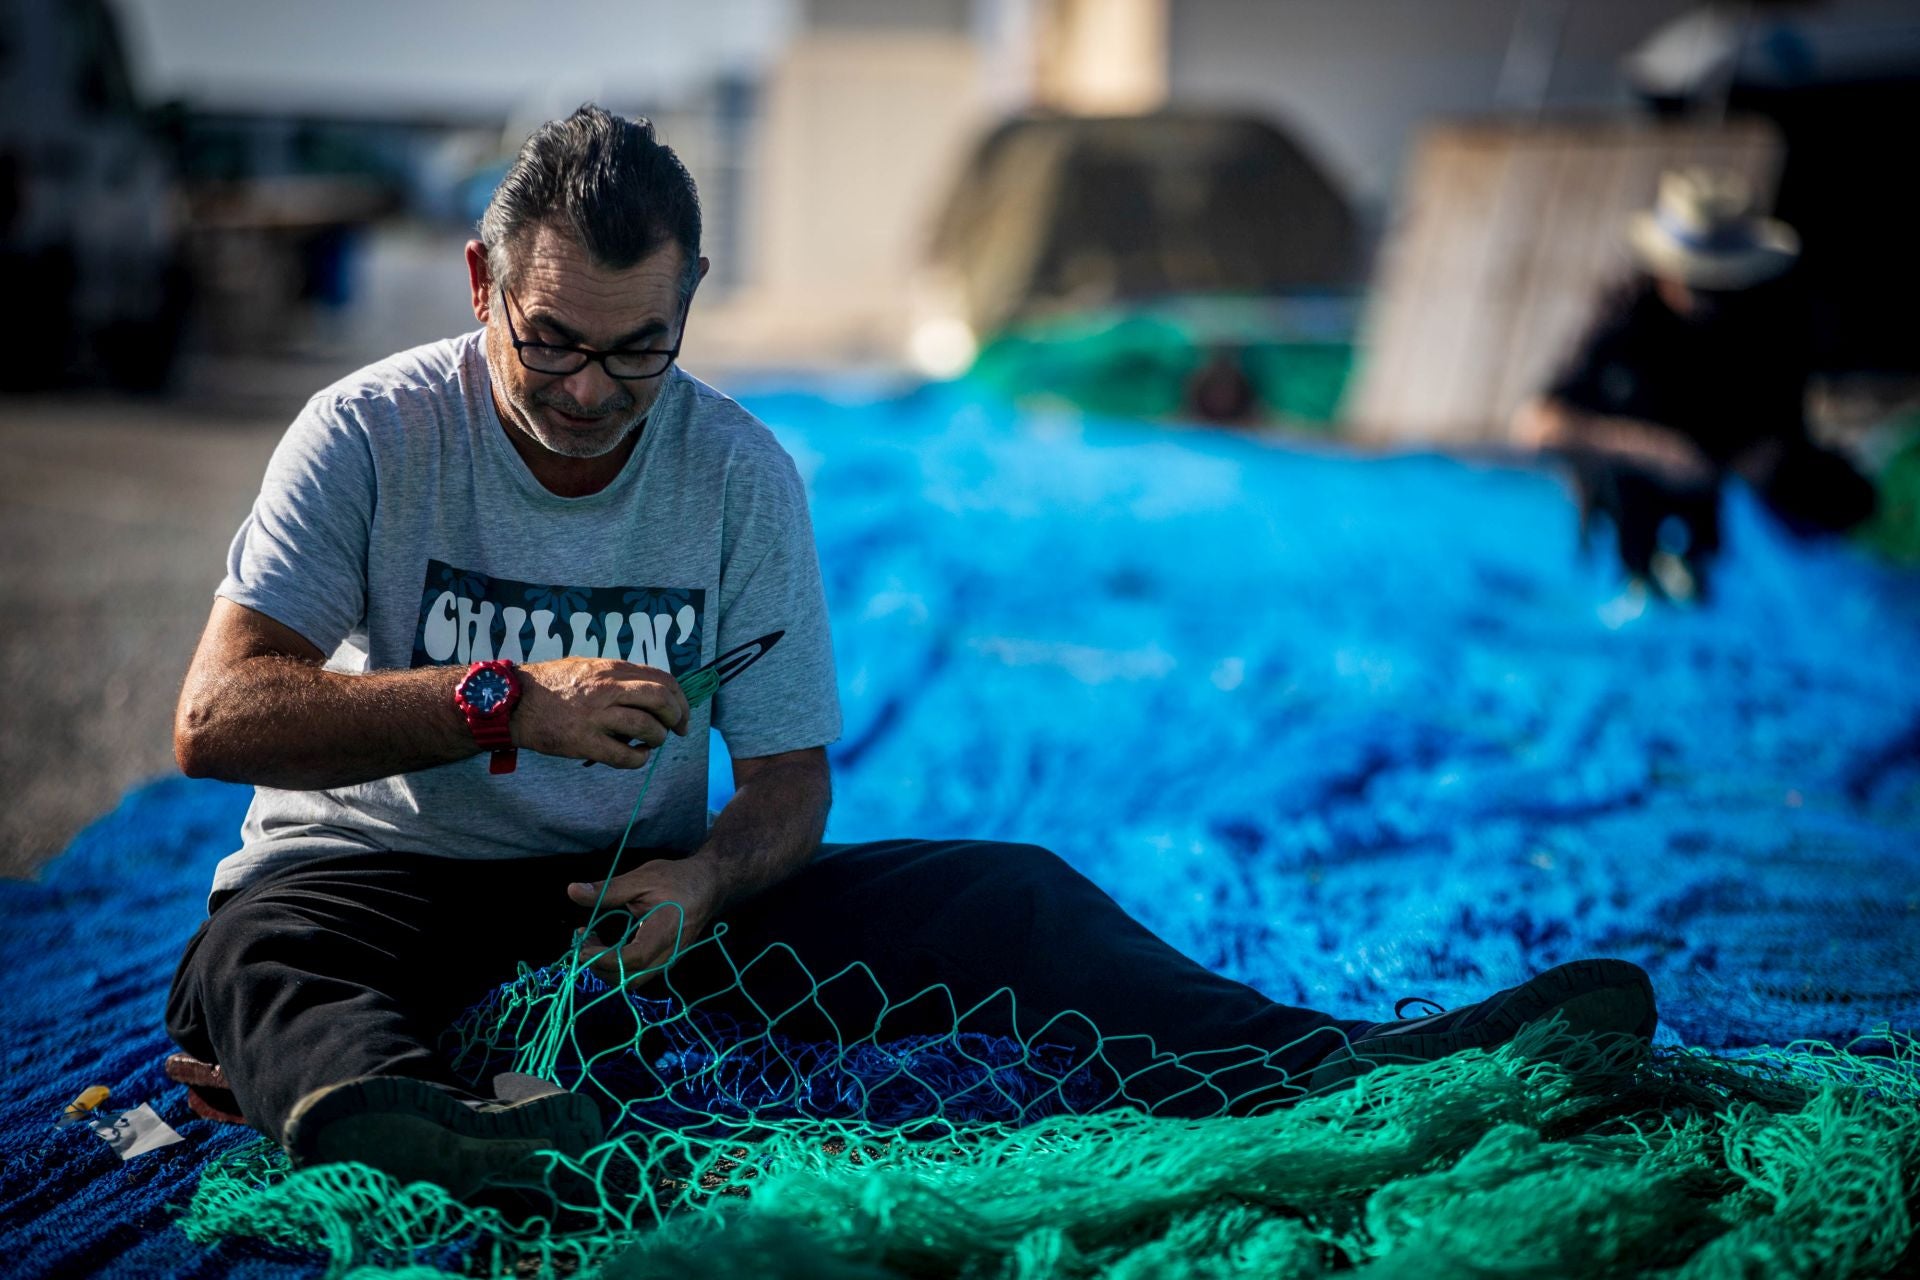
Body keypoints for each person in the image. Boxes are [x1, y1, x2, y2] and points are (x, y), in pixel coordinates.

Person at [165, 106, 1660, 1201]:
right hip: (372, 889)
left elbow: (791, 789)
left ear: (691, 306)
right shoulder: (368, 434)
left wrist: (707, 878)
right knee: (262, 956)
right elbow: (220, 716)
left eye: (641, 351)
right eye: (553, 340)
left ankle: (1321, 1062)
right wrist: (500, 702)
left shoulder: (738, 476)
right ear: (485, 284)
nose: (592, 390)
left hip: (626, 919)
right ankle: (414, 1112)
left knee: (1008, 895)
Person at [1514, 168, 1874, 604]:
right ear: (1666, 268)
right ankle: (1641, 570)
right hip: (1640, 475)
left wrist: (1740, 462)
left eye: (1721, 281)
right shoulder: (1626, 311)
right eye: (1696, 278)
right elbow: (1536, 425)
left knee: (1842, 496)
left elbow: (1785, 430)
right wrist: (1653, 450)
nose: (1710, 296)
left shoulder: (1775, 312)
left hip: (1733, 467)